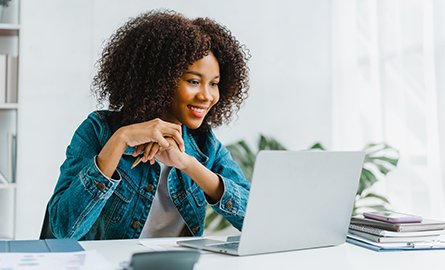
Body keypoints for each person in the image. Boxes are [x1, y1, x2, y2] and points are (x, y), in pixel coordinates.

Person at [48, 10, 251, 240]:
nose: (207, 96)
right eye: (194, 81)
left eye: (214, 84)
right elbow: (63, 230)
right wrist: (120, 139)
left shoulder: (205, 145)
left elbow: (256, 220)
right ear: (161, 79)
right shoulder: (99, 130)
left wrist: (187, 164)